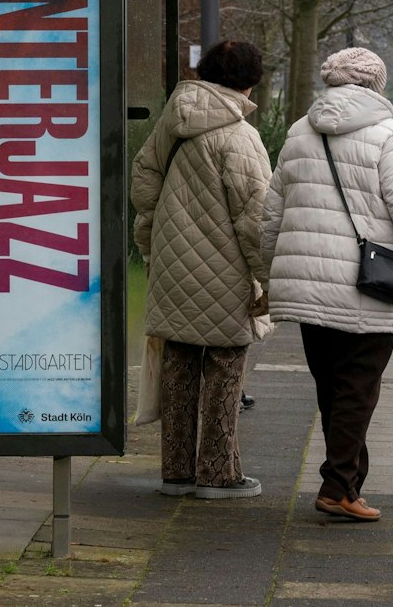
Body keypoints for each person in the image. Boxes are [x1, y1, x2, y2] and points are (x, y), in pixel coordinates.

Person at [258, 47, 393, 523]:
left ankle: (346, 483)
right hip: (366, 284)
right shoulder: (389, 135)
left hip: (305, 285)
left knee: (334, 388)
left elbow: (271, 213)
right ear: (375, 85)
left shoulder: (300, 131)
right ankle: (338, 486)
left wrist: (271, 272)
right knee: (358, 387)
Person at [131, 40, 275, 501]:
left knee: (178, 365)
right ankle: (217, 474)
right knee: (225, 369)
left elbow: (144, 173)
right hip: (225, 270)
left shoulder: (174, 120)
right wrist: (267, 279)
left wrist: (153, 231)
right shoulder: (240, 136)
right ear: (250, 81)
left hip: (173, 262)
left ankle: (175, 472)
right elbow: (255, 219)